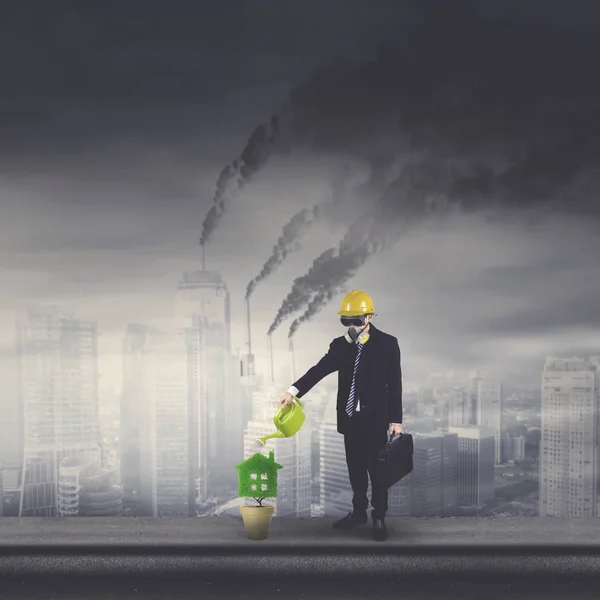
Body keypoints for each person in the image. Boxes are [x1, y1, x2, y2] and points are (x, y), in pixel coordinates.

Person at [279, 289, 402, 541]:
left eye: (356, 320)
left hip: (375, 420)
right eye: (346, 321)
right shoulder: (340, 346)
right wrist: (293, 391)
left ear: (369, 317)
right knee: (355, 470)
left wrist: (396, 420)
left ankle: (378, 516)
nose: (352, 326)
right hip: (350, 420)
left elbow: (395, 383)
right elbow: (318, 370)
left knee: (377, 473)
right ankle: (358, 512)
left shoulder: (388, 344)